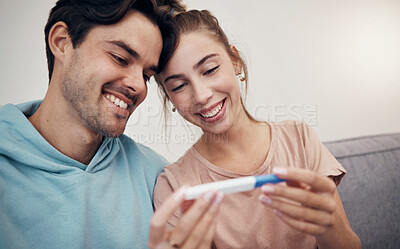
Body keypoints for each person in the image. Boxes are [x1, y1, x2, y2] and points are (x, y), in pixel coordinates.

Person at [0, 0, 222, 248]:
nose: (138, 85)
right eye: (120, 58)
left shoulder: (160, 181)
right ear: (62, 42)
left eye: (147, 75)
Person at [153, 1, 362, 248]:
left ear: (235, 61)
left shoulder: (299, 140)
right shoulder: (175, 187)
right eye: (178, 86)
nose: (201, 95)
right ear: (170, 98)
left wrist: (330, 226)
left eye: (209, 69)